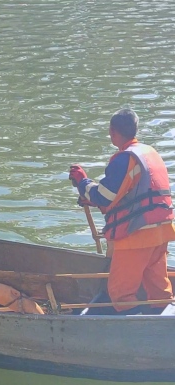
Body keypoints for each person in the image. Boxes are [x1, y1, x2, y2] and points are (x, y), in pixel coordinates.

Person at [69, 108, 175, 314]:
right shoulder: (149, 152)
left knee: (121, 293)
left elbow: (104, 195)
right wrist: (94, 200)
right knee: (158, 289)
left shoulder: (124, 159)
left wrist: (83, 182)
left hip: (137, 234)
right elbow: (134, 193)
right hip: (161, 231)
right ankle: (163, 322)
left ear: (112, 132)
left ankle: (131, 331)